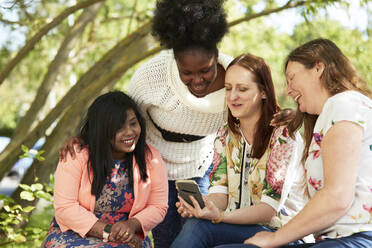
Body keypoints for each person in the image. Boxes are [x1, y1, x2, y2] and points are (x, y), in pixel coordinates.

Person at [220, 39, 372, 248]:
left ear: (318, 67)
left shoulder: (344, 104)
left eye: (292, 78)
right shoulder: (329, 115)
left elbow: (337, 197)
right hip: (333, 239)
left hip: (357, 239)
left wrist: (274, 238)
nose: (289, 90)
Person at [170, 53, 307, 248]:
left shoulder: (283, 136)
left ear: (264, 92)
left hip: (282, 234)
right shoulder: (224, 135)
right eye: (228, 88)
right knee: (196, 224)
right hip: (237, 228)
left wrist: (221, 216)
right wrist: (206, 207)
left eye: (242, 89)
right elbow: (220, 195)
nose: (232, 96)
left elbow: (268, 211)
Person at [43, 91, 168, 248]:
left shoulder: (151, 158)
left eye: (133, 123)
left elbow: (158, 206)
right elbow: (65, 207)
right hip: (73, 233)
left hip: (128, 234)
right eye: (119, 127)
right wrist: (109, 232)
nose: (129, 132)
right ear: (102, 129)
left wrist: (132, 225)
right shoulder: (76, 154)